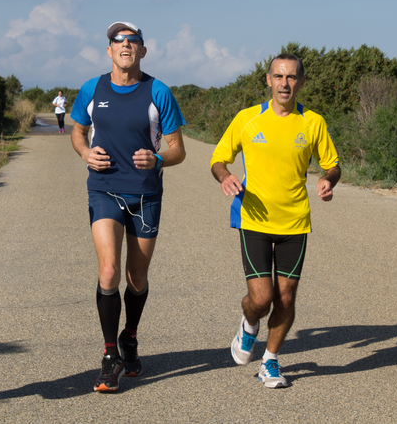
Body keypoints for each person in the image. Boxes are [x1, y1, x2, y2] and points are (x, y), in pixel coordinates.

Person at [211, 53, 340, 388]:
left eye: (292, 77)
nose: (285, 83)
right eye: (279, 77)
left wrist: (329, 179)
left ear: (301, 82)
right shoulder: (247, 119)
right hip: (253, 219)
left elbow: (332, 164)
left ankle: (269, 360)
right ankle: (249, 323)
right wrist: (224, 176)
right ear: (268, 80)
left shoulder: (313, 122)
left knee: (286, 297)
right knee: (261, 298)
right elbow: (219, 158)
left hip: (295, 222)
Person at [70, 21, 186, 392]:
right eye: (117, 40)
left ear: (142, 50)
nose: (124, 45)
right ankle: (109, 356)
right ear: (109, 50)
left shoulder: (159, 92)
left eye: (132, 40)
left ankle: (130, 337)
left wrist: (158, 159)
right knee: (108, 271)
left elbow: (178, 149)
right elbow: (77, 130)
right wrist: (87, 152)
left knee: (137, 278)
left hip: (144, 194)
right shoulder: (92, 88)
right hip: (103, 189)